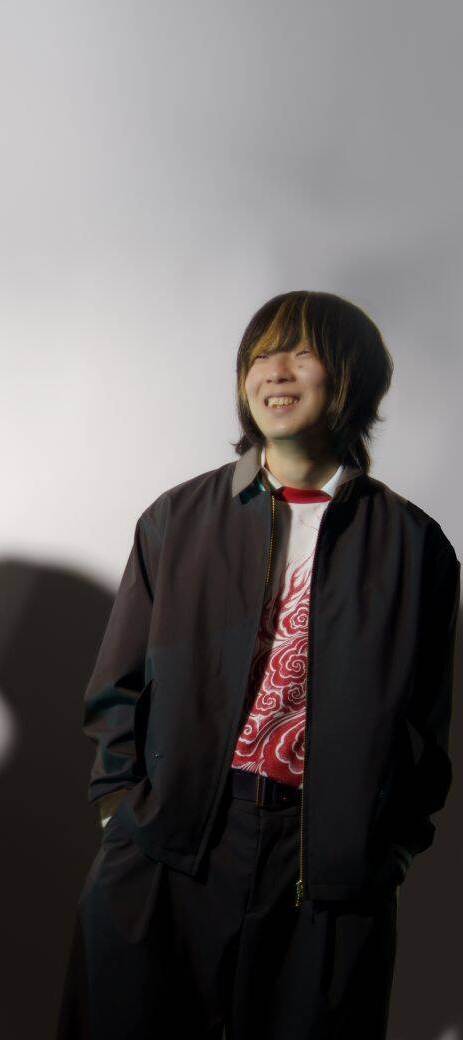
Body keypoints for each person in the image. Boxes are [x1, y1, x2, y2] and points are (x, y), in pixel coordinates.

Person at [62, 290, 460, 1039]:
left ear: (351, 376)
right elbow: (118, 683)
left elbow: (425, 724)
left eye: (301, 353)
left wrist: (390, 847)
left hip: (328, 864)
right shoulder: (179, 518)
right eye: (260, 355)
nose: (274, 372)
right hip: (174, 839)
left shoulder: (415, 546)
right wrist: (122, 809)